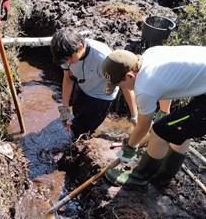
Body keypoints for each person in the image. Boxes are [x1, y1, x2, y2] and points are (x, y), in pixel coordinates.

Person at [101, 45, 206, 188]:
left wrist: (130, 147)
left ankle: (139, 178)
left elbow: (143, 127)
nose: (123, 88)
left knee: (160, 131)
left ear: (130, 76)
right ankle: (161, 179)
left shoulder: (144, 87)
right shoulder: (150, 54)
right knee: (180, 129)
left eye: (120, 84)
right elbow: (167, 84)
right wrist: (164, 112)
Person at [50, 28, 137, 138]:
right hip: (82, 87)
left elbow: (125, 85)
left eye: (69, 59)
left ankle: (82, 143)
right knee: (76, 117)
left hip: (100, 97)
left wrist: (134, 114)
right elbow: (68, 78)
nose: (67, 63)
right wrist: (65, 108)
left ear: (80, 47)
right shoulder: (66, 55)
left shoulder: (103, 59)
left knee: (86, 129)